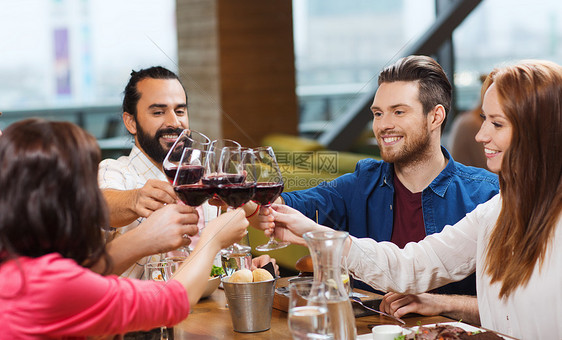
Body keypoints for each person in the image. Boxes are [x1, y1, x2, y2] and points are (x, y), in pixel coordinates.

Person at [261, 60, 562, 339]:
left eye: (496, 123)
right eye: (378, 113)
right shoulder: (497, 211)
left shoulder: (491, 195)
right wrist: (314, 233)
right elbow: (411, 267)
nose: (480, 135)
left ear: (537, 131)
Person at [0, 118, 250, 338]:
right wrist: (214, 238)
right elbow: (173, 301)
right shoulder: (48, 283)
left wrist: (144, 238)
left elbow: (86, 273)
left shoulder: (17, 263)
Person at [98, 66, 276, 278]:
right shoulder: (115, 170)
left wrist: (243, 269)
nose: (174, 122)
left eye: (180, 111)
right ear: (131, 122)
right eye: (158, 112)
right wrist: (135, 199)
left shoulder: (202, 178)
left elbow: (213, 264)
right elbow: (102, 204)